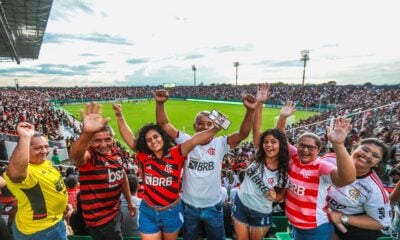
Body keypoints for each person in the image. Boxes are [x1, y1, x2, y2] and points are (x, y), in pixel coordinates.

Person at [155, 89, 257, 240]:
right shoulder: (186, 141)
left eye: (209, 123)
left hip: (213, 206)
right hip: (189, 206)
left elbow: (242, 134)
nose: (205, 127)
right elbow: (164, 124)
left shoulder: (220, 143)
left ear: (215, 125)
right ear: (194, 126)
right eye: (201, 124)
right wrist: (159, 103)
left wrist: (250, 111)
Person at [112, 103, 221, 240]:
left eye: (156, 137)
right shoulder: (144, 155)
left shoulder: (177, 153)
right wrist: (119, 116)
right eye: (149, 140)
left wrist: (215, 129)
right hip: (148, 211)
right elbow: (129, 139)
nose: (153, 141)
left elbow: (194, 141)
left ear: (163, 136)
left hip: (171, 211)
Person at [277, 102, 356, 240]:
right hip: (297, 226)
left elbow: (347, 178)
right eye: (302, 146)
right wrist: (283, 117)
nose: (305, 150)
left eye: (311, 147)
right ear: (297, 146)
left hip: (315, 229)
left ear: (318, 150)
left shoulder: (322, 167)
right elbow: (280, 137)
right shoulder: (295, 156)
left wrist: (338, 144)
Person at [70, 102, 136, 240]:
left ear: (113, 139)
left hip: (115, 212)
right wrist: (86, 133)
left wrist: (129, 201)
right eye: (97, 140)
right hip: (101, 222)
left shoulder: (116, 152)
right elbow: (76, 156)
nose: (103, 144)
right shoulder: (91, 156)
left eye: (107, 139)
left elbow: (121, 175)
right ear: (90, 143)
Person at [232, 83, 290, 240]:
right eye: (266, 141)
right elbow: (256, 129)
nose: (269, 145)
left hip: (261, 211)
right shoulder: (259, 155)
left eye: (273, 142)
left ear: (280, 145)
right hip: (242, 204)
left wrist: (275, 197)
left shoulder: (284, 170)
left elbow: (282, 195)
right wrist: (260, 103)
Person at [4, 122, 68, 240]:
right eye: (38, 148)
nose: (44, 151)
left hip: (55, 222)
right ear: (25, 149)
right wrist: (25, 137)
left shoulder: (44, 162)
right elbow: (15, 175)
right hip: (41, 232)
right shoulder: (25, 171)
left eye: (46, 146)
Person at [326, 138, 391, 240]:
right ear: (354, 148)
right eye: (365, 150)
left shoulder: (375, 190)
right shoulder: (329, 160)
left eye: (375, 156)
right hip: (322, 216)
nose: (368, 155)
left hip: (352, 229)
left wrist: (343, 218)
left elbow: (381, 223)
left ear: (378, 163)